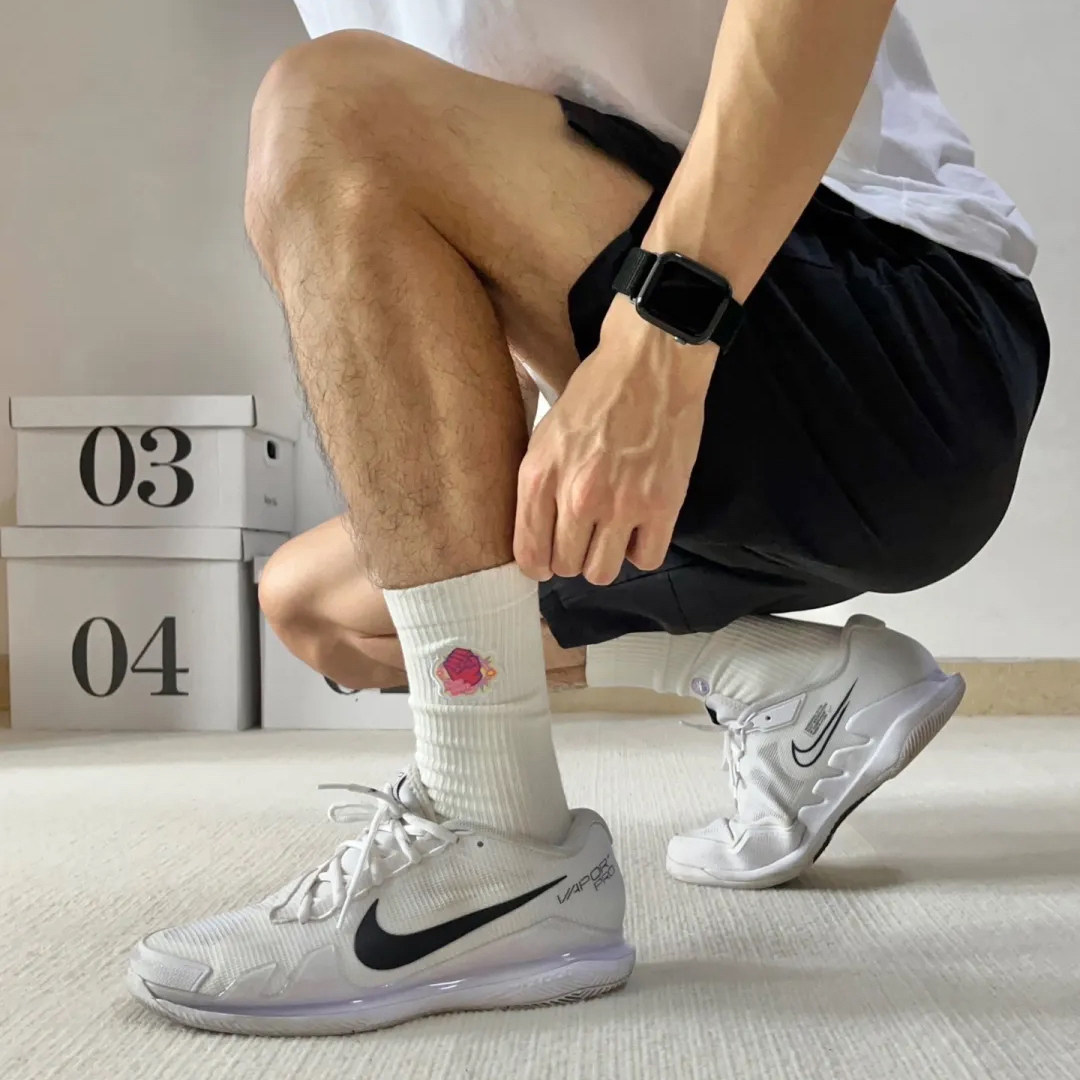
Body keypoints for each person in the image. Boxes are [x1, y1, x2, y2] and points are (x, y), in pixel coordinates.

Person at [126, 1, 1049, 1034]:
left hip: (889, 332)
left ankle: (494, 840)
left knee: (331, 105)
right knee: (322, 607)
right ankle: (783, 678)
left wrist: (665, 337)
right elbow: (464, 242)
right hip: (716, 413)